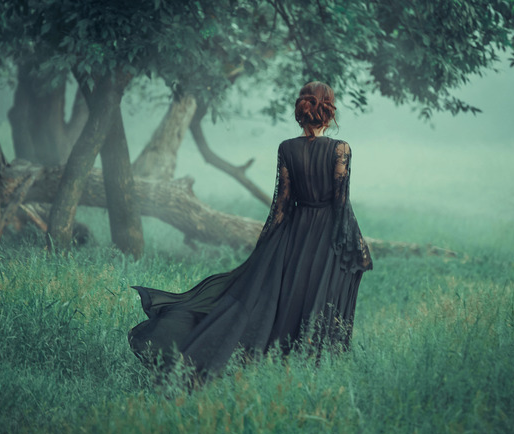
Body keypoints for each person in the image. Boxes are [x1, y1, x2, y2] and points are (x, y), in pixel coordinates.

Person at [128, 81, 372, 379]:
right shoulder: (341, 149)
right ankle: (310, 361)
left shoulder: (287, 148)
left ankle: (276, 358)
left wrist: (265, 249)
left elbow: (280, 204)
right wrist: (358, 246)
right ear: (329, 112)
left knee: (284, 298)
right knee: (315, 297)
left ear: (303, 110)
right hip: (325, 236)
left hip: (292, 235)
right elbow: (341, 203)